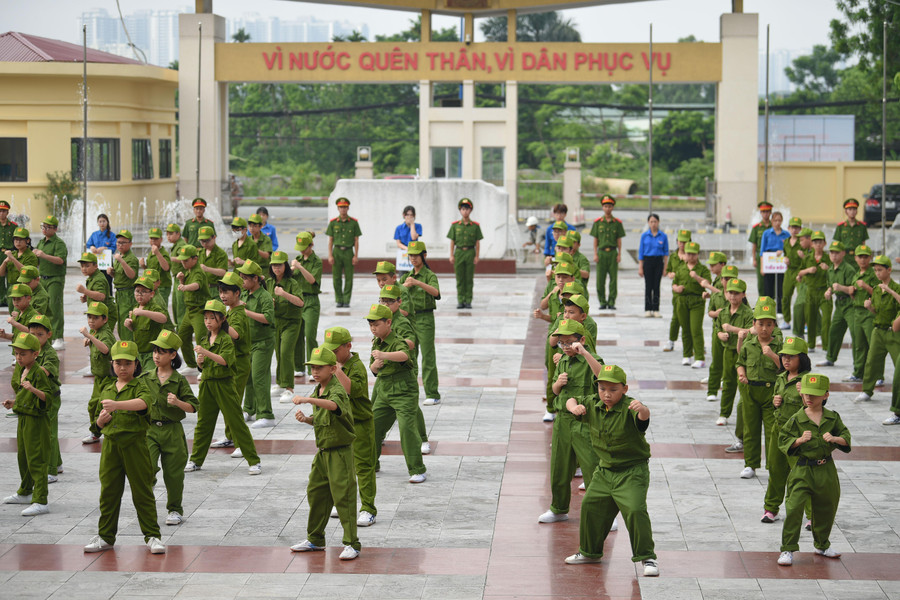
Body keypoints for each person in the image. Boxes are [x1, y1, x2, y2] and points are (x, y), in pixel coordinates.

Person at [563, 364, 658, 577]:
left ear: (624, 389)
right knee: (590, 506)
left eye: (613, 390)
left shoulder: (630, 407)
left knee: (635, 509)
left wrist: (643, 409)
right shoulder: (594, 403)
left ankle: (647, 557)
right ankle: (589, 552)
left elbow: (643, 419)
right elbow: (571, 399)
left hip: (632, 471)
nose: (606, 394)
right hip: (604, 471)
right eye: (602, 388)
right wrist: (573, 407)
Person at [83, 340, 166, 555]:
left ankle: (152, 536)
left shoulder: (140, 385)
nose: (122, 368)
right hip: (111, 446)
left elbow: (144, 403)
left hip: (135, 444)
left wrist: (117, 405)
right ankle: (105, 536)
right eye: (118, 363)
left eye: (127, 363)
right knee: (109, 492)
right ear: (112, 364)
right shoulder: (107, 388)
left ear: (136, 365)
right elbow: (96, 423)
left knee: (142, 492)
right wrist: (100, 422)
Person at [289, 346, 361, 560]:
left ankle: (352, 544)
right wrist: (308, 419)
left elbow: (334, 406)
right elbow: (323, 419)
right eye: (312, 368)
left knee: (344, 497)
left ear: (332, 369)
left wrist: (308, 400)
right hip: (323, 452)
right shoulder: (318, 389)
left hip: (340, 453)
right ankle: (315, 539)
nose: (315, 372)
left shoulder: (335, 390)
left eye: (319, 368)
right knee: (317, 493)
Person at [777, 373, 851, 566]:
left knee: (827, 507)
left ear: (825, 395)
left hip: (826, 468)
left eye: (814, 394)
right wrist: (798, 441)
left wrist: (834, 439)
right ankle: (787, 549)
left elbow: (846, 438)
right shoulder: (796, 419)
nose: (809, 398)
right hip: (802, 469)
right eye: (806, 394)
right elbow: (783, 439)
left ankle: (822, 545)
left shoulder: (832, 418)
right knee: (794, 508)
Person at [184, 299, 261, 474]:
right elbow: (203, 366)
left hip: (224, 385)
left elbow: (225, 361)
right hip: (207, 385)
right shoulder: (204, 339)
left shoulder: (226, 340)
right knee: (203, 424)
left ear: (222, 319)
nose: (208, 322)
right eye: (206, 318)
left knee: (236, 422)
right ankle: (196, 459)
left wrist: (206, 353)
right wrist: (200, 362)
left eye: (212, 318)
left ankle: (254, 461)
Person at [538, 319, 603, 525]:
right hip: (563, 421)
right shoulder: (563, 361)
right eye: (562, 343)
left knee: (592, 466)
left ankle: (604, 514)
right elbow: (557, 391)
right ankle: (558, 508)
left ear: (581, 340)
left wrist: (584, 353)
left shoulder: (592, 359)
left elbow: (603, 378)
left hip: (585, 421)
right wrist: (558, 383)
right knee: (559, 466)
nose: (565, 347)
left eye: (569, 342)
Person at [142, 330, 199, 527]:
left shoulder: (179, 380)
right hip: (149, 430)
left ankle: (175, 509)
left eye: (162, 352)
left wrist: (177, 403)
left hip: (172, 431)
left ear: (173, 355)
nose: (156, 356)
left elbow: (193, 407)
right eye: (155, 351)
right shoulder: (145, 378)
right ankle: (146, 506)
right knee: (146, 468)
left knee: (174, 474)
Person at [322, 326, 377, 527]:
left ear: (348, 346)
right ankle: (345, 504)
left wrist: (336, 370)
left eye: (336, 351)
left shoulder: (356, 367)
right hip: (341, 424)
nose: (333, 355)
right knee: (343, 468)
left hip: (360, 424)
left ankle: (368, 509)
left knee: (363, 467)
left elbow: (350, 389)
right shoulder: (333, 365)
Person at [367, 303, 427, 483]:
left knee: (407, 429)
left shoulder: (397, 340)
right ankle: (371, 463)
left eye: (376, 324)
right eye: (370, 325)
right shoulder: (376, 343)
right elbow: (373, 368)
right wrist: (374, 366)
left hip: (403, 392)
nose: (373, 328)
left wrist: (384, 356)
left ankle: (417, 469)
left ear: (388, 323)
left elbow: (404, 355)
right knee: (373, 427)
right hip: (384, 390)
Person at [1, 332, 53, 516]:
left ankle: (41, 499)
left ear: (35, 354)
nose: (19, 357)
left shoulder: (38, 372)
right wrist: (13, 403)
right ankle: (26, 490)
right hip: (23, 417)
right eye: (16, 353)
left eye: (23, 354)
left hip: (36, 421)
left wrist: (33, 388)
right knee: (23, 456)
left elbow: (47, 398)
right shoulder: (21, 370)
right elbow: (26, 396)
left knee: (36, 459)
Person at [762, 336, 810, 523]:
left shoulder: (807, 380)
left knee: (801, 475)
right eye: (783, 356)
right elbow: (777, 401)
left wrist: (804, 394)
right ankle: (771, 508)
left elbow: (816, 406)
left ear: (802, 358)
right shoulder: (781, 377)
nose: (786, 360)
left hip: (798, 435)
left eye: (792, 356)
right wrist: (775, 402)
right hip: (779, 430)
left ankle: (811, 515)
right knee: (775, 470)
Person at [735, 297, 783, 480]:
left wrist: (772, 354)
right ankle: (750, 464)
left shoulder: (779, 345)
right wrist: (742, 374)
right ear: (753, 324)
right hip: (751, 392)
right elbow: (740, 362)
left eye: (769, 324)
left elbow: (784, 368)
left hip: (771, 392)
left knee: (772, 430)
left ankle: (773, 465)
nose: (764, 328)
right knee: (750, 429)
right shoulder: (749, 344)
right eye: (760, 324)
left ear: (774, 326)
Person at [210, 271, 251, 452]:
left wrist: (222, 322)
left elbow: (235, 334)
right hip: (230, 363)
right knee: (228, 403)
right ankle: (230, 436)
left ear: (237, 293)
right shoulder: (231, 310)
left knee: (234, 405)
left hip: (239, 364)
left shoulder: (239, 313)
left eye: (227, 292)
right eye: (221, 291)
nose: (222, 296)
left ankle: (243, 442)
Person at [400, 241, 441, 405]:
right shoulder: (406, 276)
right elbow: (396, 294)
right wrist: (405, 284)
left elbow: (436, 293)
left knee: (428, 356)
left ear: (424, 256)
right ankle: (411, 391)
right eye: (411, 255)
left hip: (425, 318)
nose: (413, 258)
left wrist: (418, 283)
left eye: (417, 255)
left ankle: (432, 393)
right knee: (410, 356)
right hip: (409, 319)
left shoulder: (429, 275)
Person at [238, 260, 276, 429]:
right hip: (249, 342)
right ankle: (249, 409)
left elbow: (268, 318)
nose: (242, 281)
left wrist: (246, 312)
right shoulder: (244, 295)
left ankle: (266, 414)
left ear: (255, 279)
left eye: (245, 278)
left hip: (263, 342)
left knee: (259, 377)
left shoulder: (264, 296)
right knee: (248, 377)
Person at [856, 255, 900, 403]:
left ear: (889, 270)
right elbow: (877, 311)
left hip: (894, 332)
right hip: (878, 330)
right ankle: (867, 390)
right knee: (871, 361)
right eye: (875, 270)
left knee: (898, 364)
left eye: (880, 270)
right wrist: (870, 308)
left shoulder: (896, 288)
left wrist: (890, 291)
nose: (877, 273)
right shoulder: (876, 289)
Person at [27, 314, 62, 483]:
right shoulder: (32, 351)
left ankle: (51, 470)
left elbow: (44, 372)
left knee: (49, 434)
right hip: (38, 396)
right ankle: (59, 463)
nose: (35, 337)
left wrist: (27, 367)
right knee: (47, 430)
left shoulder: (50, 354)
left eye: (39, 334)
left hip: (51, 398)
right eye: (32, 334)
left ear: (49, 335)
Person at [267, 251, 304, 404]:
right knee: (278, 353)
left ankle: (289, 388)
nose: (276, 268)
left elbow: (300, 302)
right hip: (276, 322)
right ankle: (281, 383)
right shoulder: (269, 283)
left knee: (286, 351)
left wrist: (283, 294)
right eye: (274, 265)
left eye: (279, 264)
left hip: (291, 322)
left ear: (285, 266)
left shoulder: (292, 283)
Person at [718, 279, 753, 433]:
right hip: (728, 352)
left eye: (736, 293)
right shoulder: (724, 312)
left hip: (743, 354)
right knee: (727, 384)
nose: (733, 296)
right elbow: (717, 328)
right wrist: (720, 334)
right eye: (730, 292)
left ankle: (746, 415)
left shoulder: (748, 313)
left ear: (743, 294)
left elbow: (751, 331)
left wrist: (731, 329)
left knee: (743, 385)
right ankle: (724, 413)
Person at [79, 301, 115, 445]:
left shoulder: (105, 333)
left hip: (109, 378)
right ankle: (96, 432)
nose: (91, 321)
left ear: (104, 319)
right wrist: (89, 339)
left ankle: (101, 432)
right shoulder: (96, 332)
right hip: (99, 378)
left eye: (95, 318)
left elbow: (106, 349)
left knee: (104, 406)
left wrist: (89, 336)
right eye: (89, 318)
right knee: (93, 405)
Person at [819, 241, 857, 368]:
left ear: (843, 254)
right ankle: (830, 358)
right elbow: (831, 285)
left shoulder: (848, 269)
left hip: (850, 304)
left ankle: (859, 365)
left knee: (855, 333)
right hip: (839, 304)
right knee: (834, 331)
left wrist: (841, 288)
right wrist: (828, 291)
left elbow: (853, 289)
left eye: (837, 252)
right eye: (832, 252)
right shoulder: (830, 269)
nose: (834, 255)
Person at [673, 242, 710, 368]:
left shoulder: (702, 269)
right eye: (689, 254)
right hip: (682, 301)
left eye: (694, 254)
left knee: (696, 329)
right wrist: (677, 288)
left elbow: (707, 283)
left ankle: (699, 357)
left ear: (698, 255)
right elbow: (674, 283)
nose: (691, 256)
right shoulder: (681, 268)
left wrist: (697, 277)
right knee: (685, 329)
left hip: (697, 301)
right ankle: (687, 355)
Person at [174, 244, 211, 371]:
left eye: (186, 260)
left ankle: (204, 367)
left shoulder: (198, 271)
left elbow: (197, 285)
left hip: (200, 311)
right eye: (182, 260)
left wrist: (185, 287)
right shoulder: (189, 271)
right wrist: (182, 281)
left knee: (202, 339)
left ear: (195, 259)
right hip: (189, 311)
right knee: (183, 336)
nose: (183, 263)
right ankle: (191, 364)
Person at [34, 215, 66, 350]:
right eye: (43, 226)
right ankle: (47, 336)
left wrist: (44, 255)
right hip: (43, 278)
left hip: (55, 279)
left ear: (55, 229)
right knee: (44, 307)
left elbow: (60, 260)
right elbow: (37, 260)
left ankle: (58, 337)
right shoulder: (41, 242)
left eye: (48, 227)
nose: (45, 229)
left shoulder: (58, 243)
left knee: (55, 307)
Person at [845, 245, 877, 384]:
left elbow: (879, 293)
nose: (863, 260)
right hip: (856, 312)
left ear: (870, 258)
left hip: (869, 313)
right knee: (858, 344)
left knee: (873, 345)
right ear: (855, 258)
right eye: (860, 257)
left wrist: (866, 287)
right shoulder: (856, 274)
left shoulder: (873, 274)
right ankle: (858, 372)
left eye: (866, 257)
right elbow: (855, 295)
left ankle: (877, 375)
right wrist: (852, 292)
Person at [292, 232, 322, 371]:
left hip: (311, 300)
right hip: (298, 300)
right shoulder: (297, 259)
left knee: (310, 335)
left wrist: (300, 267)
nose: (301, 250)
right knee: (297, 336)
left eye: (304, 247)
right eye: (300, 247)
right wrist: (291, 269)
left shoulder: (316, 261)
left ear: (311, 245)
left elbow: (312, 280)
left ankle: (313, 367)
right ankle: (298, 367)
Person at [796, 231, 831, 352]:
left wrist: (828, 269)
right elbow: (799, 273)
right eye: (815, 242)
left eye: (820, 242)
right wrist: (807, 270)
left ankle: (826, 346)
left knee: (826, 319)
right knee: (810, 319)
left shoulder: (828, 259)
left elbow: (835, 273)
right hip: (810, 292)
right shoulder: (808, 258)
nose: (818, 245)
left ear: (824, 243)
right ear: (812, 244)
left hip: (824, 292)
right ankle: (811, 344)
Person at [125, 276, 168, 371]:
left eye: (144, 291)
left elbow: (163, 318)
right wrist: (129, 325)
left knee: (150, 378)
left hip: (151, 353)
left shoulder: (154, 307)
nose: (140, 294)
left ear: (152, 294)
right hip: (139, 353)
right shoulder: (136, 307)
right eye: (137, 291)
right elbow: (137, 329)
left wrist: (144, 312)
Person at [447, 198, 483, 310]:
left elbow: (477, 242)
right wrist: (451, 255)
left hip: (470, 252)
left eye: (467, 209)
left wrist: (477, 256)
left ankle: (468, 301)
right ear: (460, 211)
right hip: (459, 252)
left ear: (470, 211)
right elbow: (452, 241)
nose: (465, 211)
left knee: (469, 278)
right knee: (460, 278)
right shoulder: (455, 225)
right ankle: (460, 300)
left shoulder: (475, 226)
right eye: (463, 209)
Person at [701, 254, 729, 401]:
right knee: (717, 358)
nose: (711, 267)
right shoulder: (718, 279)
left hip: (732, 330)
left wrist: (707, 286)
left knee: (729, 360)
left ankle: (724, 380)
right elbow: (712, 308)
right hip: (718, 327)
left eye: (714, 264)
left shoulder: (735, 291)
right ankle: (713, 387)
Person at [591, 195, 626, 310]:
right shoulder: (598, 222)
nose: (607, 208)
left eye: (609, 206)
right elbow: (595, 239)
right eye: (605, 206)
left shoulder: (617, 223)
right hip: (601, 253)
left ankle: (611, 301)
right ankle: (602, 301)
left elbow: (619, 240)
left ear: (613, 207)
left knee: (613, 279)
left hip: (612, 253)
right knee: (600, 279)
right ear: (602, 207)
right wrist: (595, 254)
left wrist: (619, 254)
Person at [326, 198, 361, 308]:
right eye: (341, 207)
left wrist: (356, 255)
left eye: (345, 207)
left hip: (348, 251)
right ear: (338, 208)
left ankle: (346, 300)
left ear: (348, 208)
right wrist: (330, 255)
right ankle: (339, 299)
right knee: (336, 277)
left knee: (349, 277)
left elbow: (356, 240)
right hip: (337, 251)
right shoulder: (333, 223)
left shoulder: (354, 223)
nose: (343, 209)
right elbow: (330, 240)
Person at [663, 230, 691, 352]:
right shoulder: (674, 256)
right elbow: (668, 271)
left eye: (685, 241)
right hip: (677, 291)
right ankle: (671, 340)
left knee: (692, 319)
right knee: (676, 317)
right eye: (680, 241)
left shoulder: (691, 255)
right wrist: (671, 274)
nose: (682, 244)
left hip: (690, 291)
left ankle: (695, 343)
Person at [108, 229, 139, 342]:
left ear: (130, 244)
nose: (120, 245)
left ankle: (130, 349)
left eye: (123, 242)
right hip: (119, 293)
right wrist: (112, 273)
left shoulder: (131, 259)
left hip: (128, 293)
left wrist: (121, 261)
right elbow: (120, 276)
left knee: (127, 322)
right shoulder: (118, 257)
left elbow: (131, 275)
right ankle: (124, 345)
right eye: (118, 242)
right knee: (120, 321)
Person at [77, 251, 117, 333]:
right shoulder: (92, 277)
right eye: (82, 266)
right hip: (97, 313)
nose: (84, 268)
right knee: (96, 337)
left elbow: (101, 296)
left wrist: (85, 291)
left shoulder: (99, 279)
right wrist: (87, 297)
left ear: (95, 266)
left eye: (87, 266)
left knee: (103, 338)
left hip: (105, 314)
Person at [637, 214, 668, 318]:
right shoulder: (644, 236)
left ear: (658, 222)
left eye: (655, 221)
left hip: (659, 262)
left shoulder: (663, 236)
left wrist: (665, 268)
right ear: (648, 223)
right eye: (651, 222)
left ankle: (656, 309)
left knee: (656, 286)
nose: (653, 224)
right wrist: (640, 267)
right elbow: (641, 252)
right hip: (647, 261)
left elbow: (666, 253)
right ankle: (648, 308)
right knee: (648, 286)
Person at [759, 211, 790, 311]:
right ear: (772, 221)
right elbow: (762, 251)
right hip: (769, 263)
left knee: (781, 288)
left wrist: (783, 251)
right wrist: (762, 267)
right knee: (768, 288)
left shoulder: (786, 234)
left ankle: (781, 311)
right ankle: (768, 310)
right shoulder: (767, 233)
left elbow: (789, 250)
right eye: (775, 220)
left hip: (781, 264)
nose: (777, 222)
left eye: (779, 220)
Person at [0, 226, 37, 309]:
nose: (18, 242)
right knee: (12, 314)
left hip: (23, 289)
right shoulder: (13, 254)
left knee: (20, 316)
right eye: (16, 240)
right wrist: (5, 262)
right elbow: (1, 273)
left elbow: (27, 272)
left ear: (27, 241)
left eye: (20, 240)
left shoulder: (31, 256)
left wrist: (13, 259)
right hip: (11, 289)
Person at [781, 217, 804, 328]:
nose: (794, 230)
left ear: (800, 229)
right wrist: (784, 258)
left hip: (800, 272)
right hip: (789, 272)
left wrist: (803, 256)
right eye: (792, 227)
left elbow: (809, 258)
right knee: (785, 296)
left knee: (802, 297)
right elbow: (785, 254)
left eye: (796, 227)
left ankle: (804, 322)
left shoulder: (803, 242)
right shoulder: (786, 242)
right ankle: (786, 321)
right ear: (788, 228)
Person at [142, 228, 172, 311]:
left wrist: (158, 253)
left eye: (156, 239)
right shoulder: (151, 252)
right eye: (151, 238)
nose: (153, 241)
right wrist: (144, 266)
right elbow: (151, 270)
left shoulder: (163, 253)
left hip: (162, 286)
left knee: (161, 309)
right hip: (153, 286)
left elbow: (166, 268)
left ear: (161, 239)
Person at [749, 200, 774, 298]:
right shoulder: (756, 228)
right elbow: (754, 244)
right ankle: (762, 302)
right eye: (763, 212)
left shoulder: (774, 226)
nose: (765, 214)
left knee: (773, 281)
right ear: (760, 213)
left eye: (767, 211)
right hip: (761, 256)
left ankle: (772, 301)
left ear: (770, 212)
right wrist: (754, 259)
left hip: (773, 256)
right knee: (761, 282)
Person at [198, 226, 228, 299]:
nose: (204, 244)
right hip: (202, 289)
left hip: (215, 289)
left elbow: (223, 272)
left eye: (207, 240)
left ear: (214, 237)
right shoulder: (200, 253)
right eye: (202, 241)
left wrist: (207, 269)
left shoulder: (221, 254)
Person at [167, 224, 188, 326]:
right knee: (175, 305)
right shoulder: (176, 244)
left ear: (178, 234)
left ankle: (182, 329)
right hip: (176, 278)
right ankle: (179, 328)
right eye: (167, 234)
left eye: (171, 234)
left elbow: (183, 258)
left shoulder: (181, 245)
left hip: (181, 279)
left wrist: (169, 258)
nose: (168, 236)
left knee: (180, 306)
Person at [0, 200, 18, 307]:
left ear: (7, 212)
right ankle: (1, 298)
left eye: (4, 211)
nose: (1, 213)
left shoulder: (13, 226)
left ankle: (10, 297)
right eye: (0, 211)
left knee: (11, 276)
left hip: (9, 253)